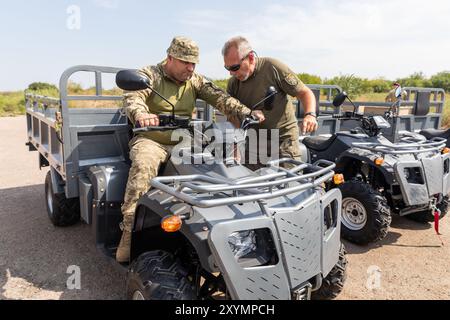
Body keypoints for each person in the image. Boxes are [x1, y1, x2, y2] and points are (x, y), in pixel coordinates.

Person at [117, 36, 265, 262]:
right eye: (185, 62)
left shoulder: (194, 80)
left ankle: (217, 228)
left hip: (183, 140)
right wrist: (141, 114)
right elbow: (133, 98)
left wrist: (246, 112)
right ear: (170, 58)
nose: (190, 67)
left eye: (194, 63)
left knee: (213, 166)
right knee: (143, 166)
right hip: (151, 139)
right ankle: (128, 233)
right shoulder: (149, 75)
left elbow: (220, 97)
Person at [222, 36, 318, 167]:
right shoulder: (233, 84)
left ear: (250, 58)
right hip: (254, 144)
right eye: (228, 69)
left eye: (235, 67)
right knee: (251, 185)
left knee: (289, 184)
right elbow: (233, 119)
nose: (231, 74)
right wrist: (235, 150)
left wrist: (310, 115)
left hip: (282, 143)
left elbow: (304, 93)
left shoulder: (273, 68)